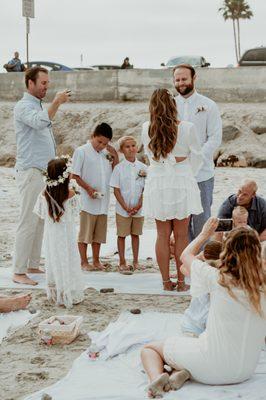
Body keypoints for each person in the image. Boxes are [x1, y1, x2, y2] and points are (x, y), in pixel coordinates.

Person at [141, 219, 266, 398]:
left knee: (150, 349)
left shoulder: (218, 279)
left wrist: (204, 234)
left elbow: (184, 257)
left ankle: (157, 378)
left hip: (212, 365)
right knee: (193, 347)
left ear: (228, 251)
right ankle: (181, 373)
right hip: (246, 370)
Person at [13, 66, 71, 286]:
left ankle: (32, 264)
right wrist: (56, 103)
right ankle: (18, 270)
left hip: (43, 172)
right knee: (27, 220)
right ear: (30, 83)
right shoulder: (22, 107)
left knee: (39, 220)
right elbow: (39, 122)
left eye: (48, 83)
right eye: (43, 83)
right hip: (30, 171)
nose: (47, 87)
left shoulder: (36, 106)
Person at [141, 89, 203, 291]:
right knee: (182, 235)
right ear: (173, 105)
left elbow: (150, 158)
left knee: (162, 235)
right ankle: (183, 282)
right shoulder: (187, 128)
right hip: (181, 181)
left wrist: (165, 165)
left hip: (158, 182)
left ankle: (166, 282)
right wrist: (183, 169)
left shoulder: (146, 128)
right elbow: (197, 157)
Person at [174, 64, 222, 241]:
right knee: (181, 222)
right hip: (177, 173)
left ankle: (200, 262)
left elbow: (215, 138)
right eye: (177, 80)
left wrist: (196, 157)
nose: (181, 83)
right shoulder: (170, 105)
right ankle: (184, 262)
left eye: (184, 79)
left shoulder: (209, 105)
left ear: (194, 79)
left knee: (202, 221)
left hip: (202, 173)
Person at [33, 157, 84, 308]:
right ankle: (69, 292)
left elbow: (41, 213)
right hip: (66, 234)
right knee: (68, 259)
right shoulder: (71, 194)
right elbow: (77, 211)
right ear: (66, 175)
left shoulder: (44, 195)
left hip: (51, 235)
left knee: (54, 259)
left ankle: (56, 292)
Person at [72, 123, 118, 271]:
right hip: (87, 199)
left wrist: (115, 155)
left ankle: (96, 261)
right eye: (99, 142)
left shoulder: (106, 153)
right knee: (85, 233)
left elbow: (115, 172)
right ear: (93, 136)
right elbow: (75, 175)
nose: (101, 145)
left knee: (98, 234)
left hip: (103, 200)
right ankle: (84, 262)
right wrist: (89, 189)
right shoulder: (81, 151)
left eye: (105, 143)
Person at [110, 136, 147, 272]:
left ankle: (136, 261)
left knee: (136, 234)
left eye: (133, 146)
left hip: (139, 208)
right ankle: (122, 261)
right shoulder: (118, 168)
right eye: (127, 147)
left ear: (137, 148)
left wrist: (138, 206)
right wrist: (125, 207)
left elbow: (145, 189)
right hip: (122, 209)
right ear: (122, 150)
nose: (131, 149)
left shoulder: (143, 168)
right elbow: (116, 189)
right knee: (122, 235)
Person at [180, 240, 222, 337]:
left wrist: (198, 256)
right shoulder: (223, 273)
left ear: (204, 256)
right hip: (213, 320)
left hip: (196, 321)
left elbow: (182, 267)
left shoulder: (199, 272)